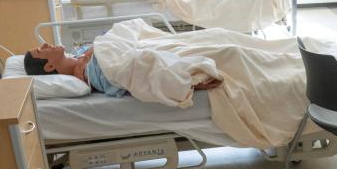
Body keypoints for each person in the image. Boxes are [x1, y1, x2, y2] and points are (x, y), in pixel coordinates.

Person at [22, 41, 222, 104]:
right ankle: (186, 80)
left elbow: (102, 44)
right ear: (48, 67)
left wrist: (85, 57)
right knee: (141, 61)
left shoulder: (78, 56)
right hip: (118, 68)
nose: (45, 44)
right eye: (41, 50)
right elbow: (96, 79)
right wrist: (85, 60)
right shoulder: (75, 78)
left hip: (120, 52)